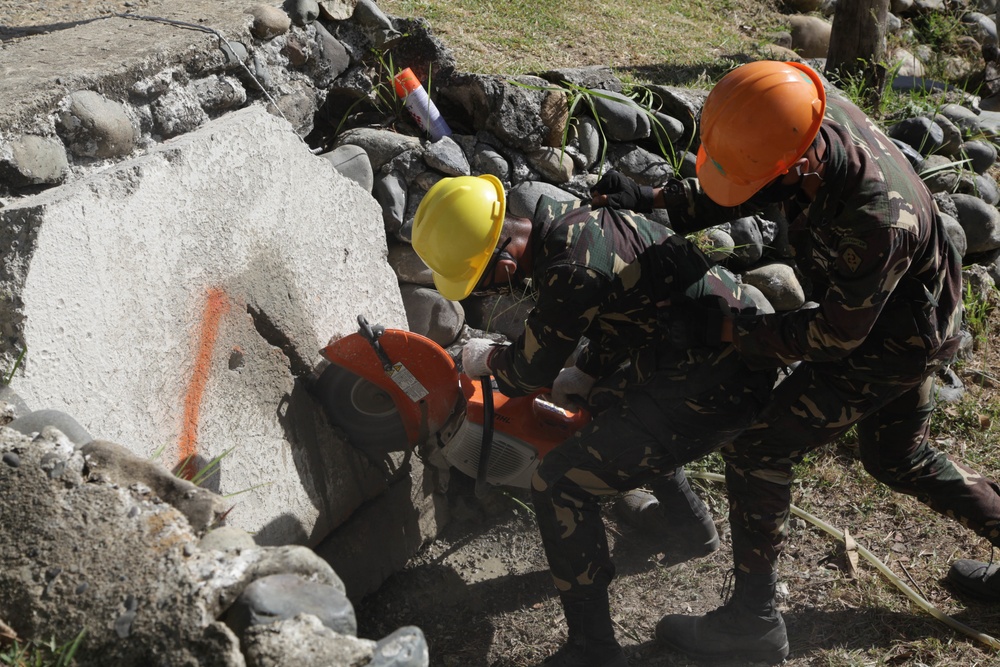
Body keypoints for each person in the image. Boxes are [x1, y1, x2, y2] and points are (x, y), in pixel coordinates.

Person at [593, 60, 1000, 664]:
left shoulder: (876, 219)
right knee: (899, 457)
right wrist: (655, 198)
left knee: (760, 446)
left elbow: (835, 337)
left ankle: (751, 623)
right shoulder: (789, 117)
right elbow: (740, 179)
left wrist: (733, 328)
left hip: (892, 339)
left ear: (802, 165)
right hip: (893, 312)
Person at [410, 174, 776, 667]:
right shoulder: (576, 225)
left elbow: (525, 373)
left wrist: (487, 358)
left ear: (506, 259)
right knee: (605, 406)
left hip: (720, 380)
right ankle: (687, 528)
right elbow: (630, 308)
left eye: (485, 280)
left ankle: (594, 650)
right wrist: (587, 371)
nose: (490, 290)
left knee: (558, 483)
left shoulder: (570, 271)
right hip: (706, 354)